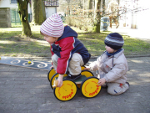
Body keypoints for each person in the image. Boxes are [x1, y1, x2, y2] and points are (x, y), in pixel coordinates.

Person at [40, 13, 91, 87]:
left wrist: (60, 76)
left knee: (74, 57)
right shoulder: (54, 40)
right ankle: (64, 70)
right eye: (44, 36)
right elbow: (54, 51)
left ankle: (75, 75)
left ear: (55, 36)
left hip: (82, 56)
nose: (44, 38)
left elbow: (64, 58)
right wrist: (54, 64)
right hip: (69, 55)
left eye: (46, 36)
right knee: (55, 57)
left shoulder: (67, 41)